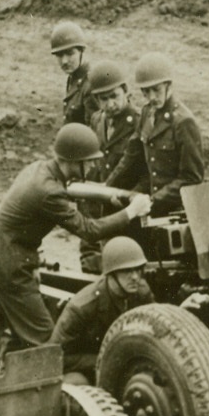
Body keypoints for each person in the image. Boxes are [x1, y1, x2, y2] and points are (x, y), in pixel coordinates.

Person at [0, 123, 152, 348]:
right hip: (9, 268)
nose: (95, 164)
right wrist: (130, 212)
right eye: (89, 160)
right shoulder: (48, 192)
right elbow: (89, 230)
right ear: (72, 161)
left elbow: (69, 190)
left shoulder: (40, 169)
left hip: (7, 255)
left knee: (28, 330)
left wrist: (111, 197)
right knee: (46, 342)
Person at [105, 52, 205, 217]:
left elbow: (191, 178)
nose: (151, 97)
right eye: (146, 92)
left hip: (176, 210)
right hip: (150, 207)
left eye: (156, 90)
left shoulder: (183, 122)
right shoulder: (147, 113)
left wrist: (152, 201)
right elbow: (132, 155)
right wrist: (109, 186)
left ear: (169, 86)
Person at [51, 237, 155, 383]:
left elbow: (156, 328)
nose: (135, 277)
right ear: (111, 273)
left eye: (138, 269)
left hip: (125, 365)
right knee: (76, 383)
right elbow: (56, 357)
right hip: (89, 369)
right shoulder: (82, 308)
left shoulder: (142, 292)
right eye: (127, 271)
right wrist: (105, 360)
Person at [79, 60, 142, 273]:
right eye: (103, 99)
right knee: (91, 263)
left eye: (114, 96)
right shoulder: (97, 120)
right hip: (97, 208)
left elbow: (147, 170)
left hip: (124, 210)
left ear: (125, 91)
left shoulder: (139, 123)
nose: (110, 104)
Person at [51, 20, 97, 126]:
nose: (64, 61)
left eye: (70, 54)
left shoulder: (89, 85)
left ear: (81, 51)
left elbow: (95, 129)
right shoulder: (73, 78)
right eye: (59, 55)